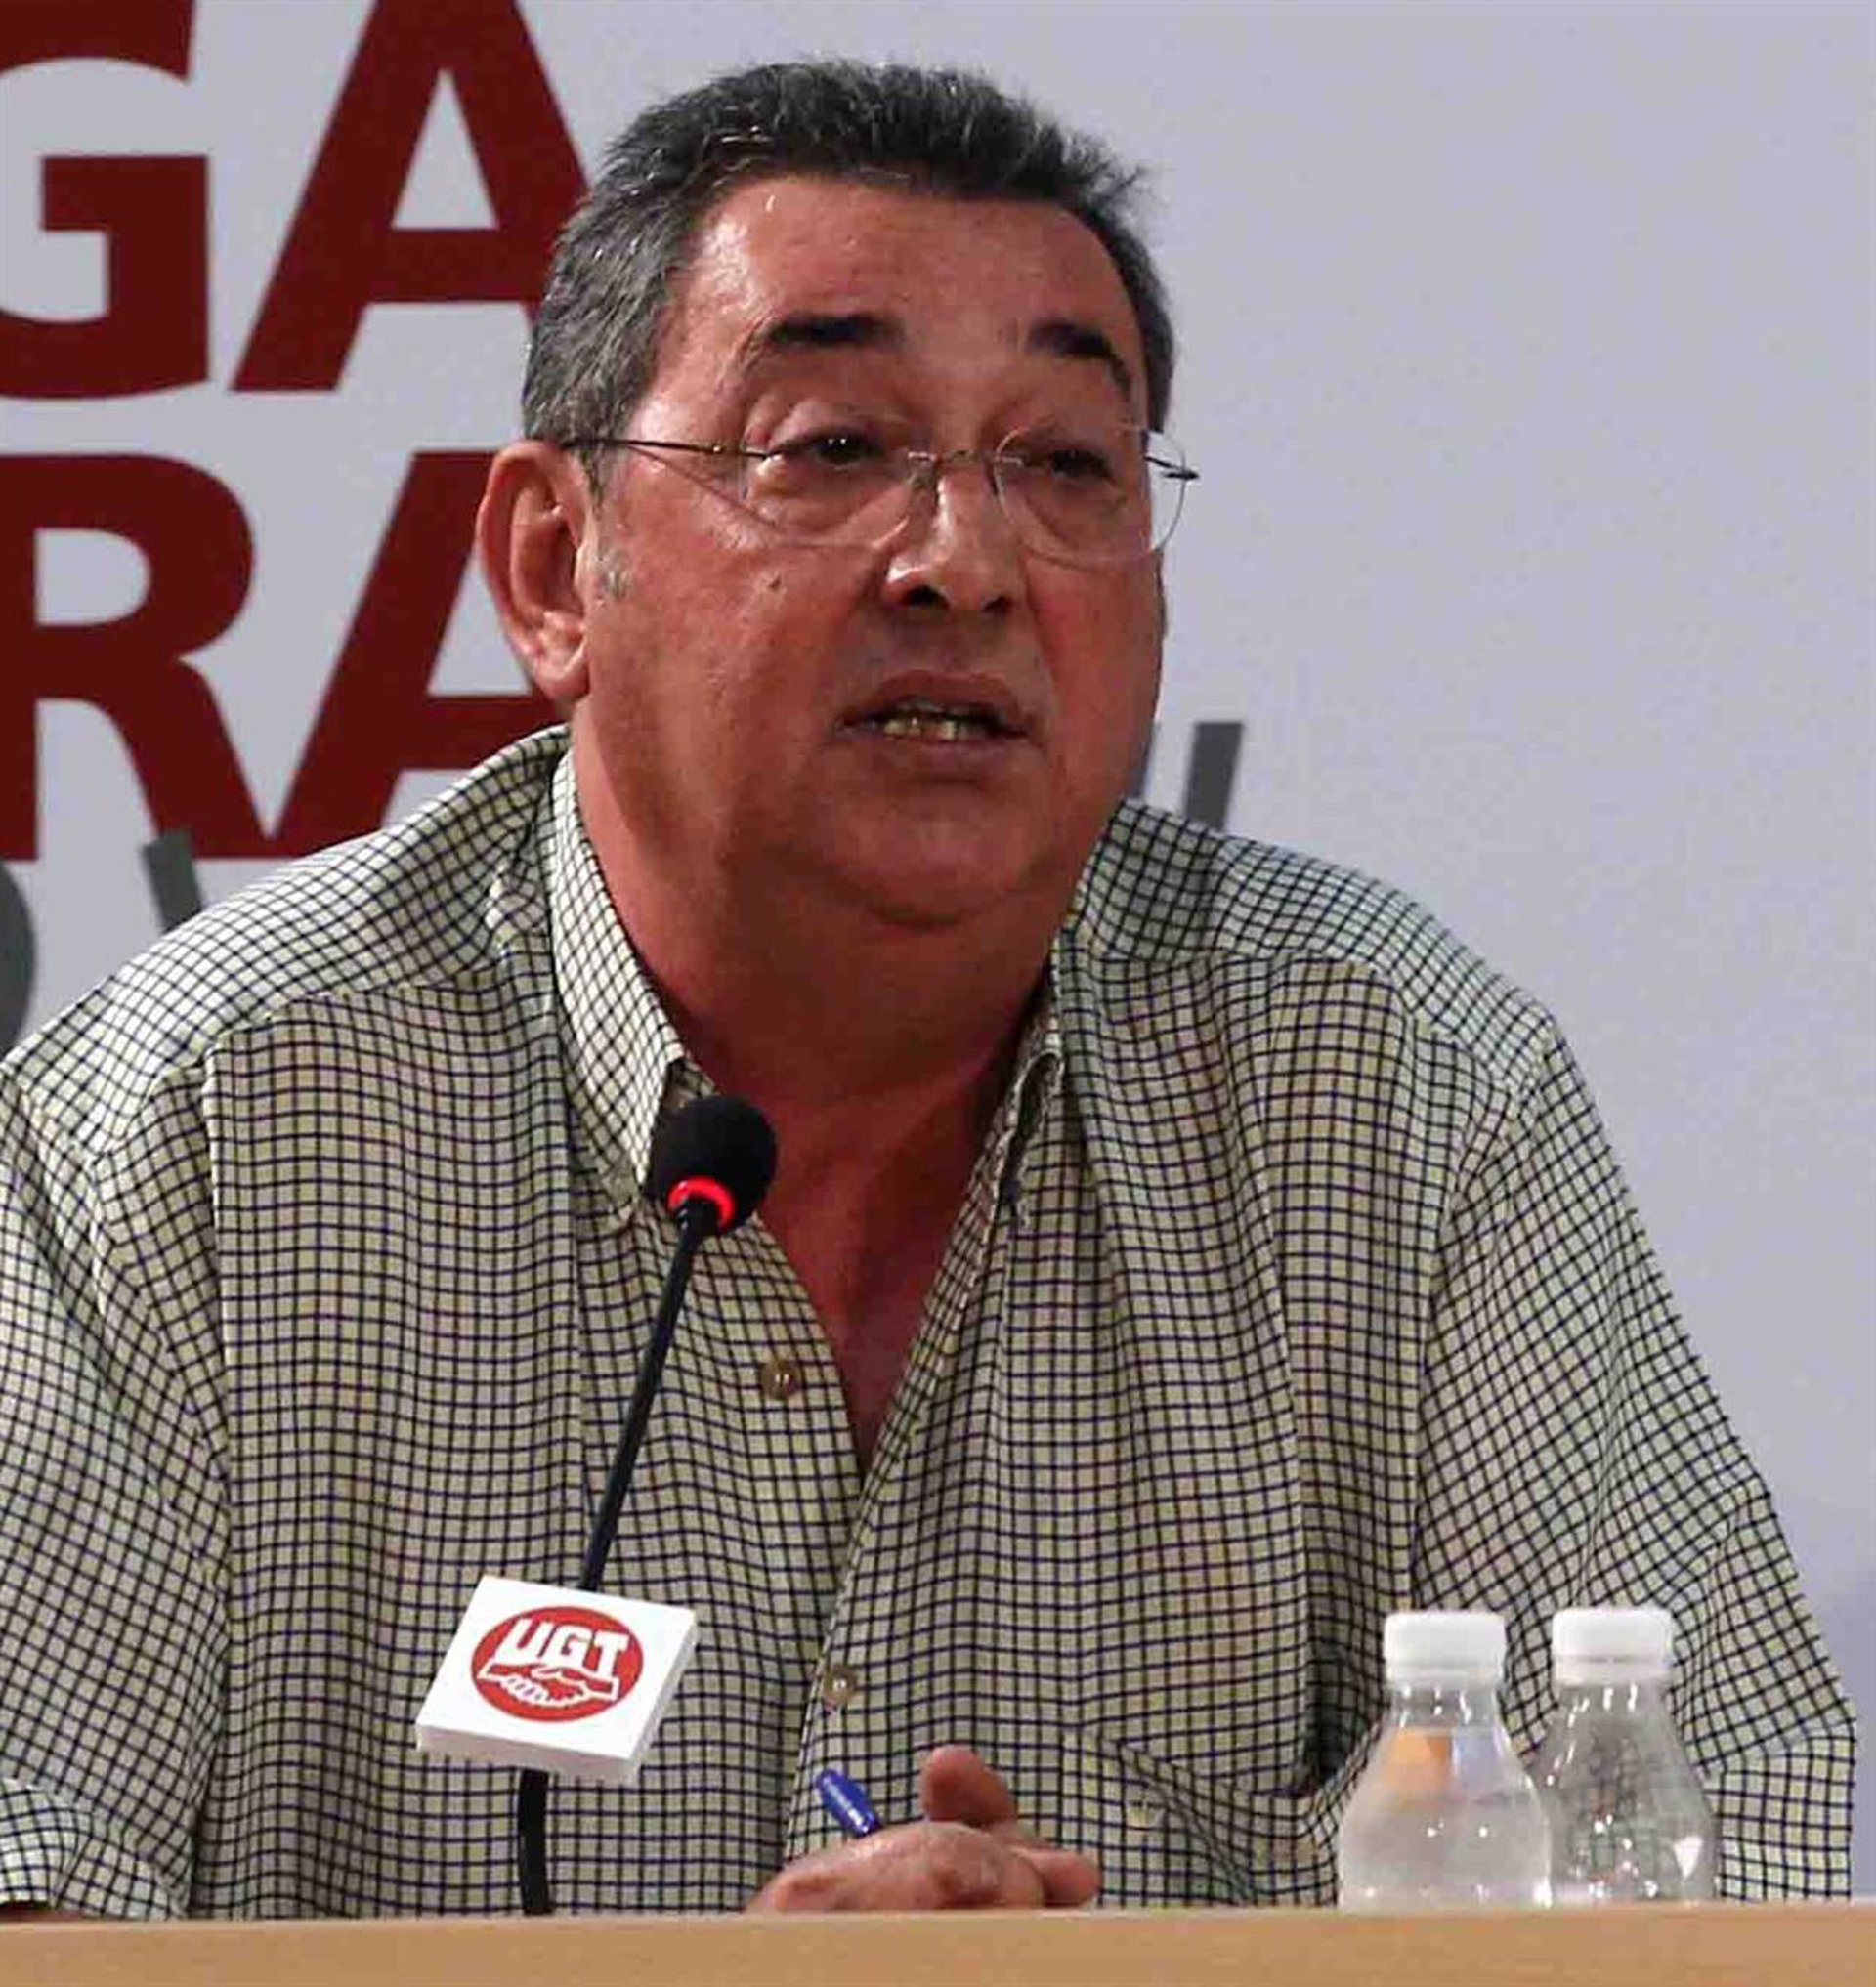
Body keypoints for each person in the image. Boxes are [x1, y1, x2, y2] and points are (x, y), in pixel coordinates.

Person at [0, 62, 1854, 1921]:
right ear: (557, 567)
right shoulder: (202, 1128)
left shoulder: (1387, 1089)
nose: (964, 564)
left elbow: (1719, 1874)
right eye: (829, 446)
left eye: (1064, 464)